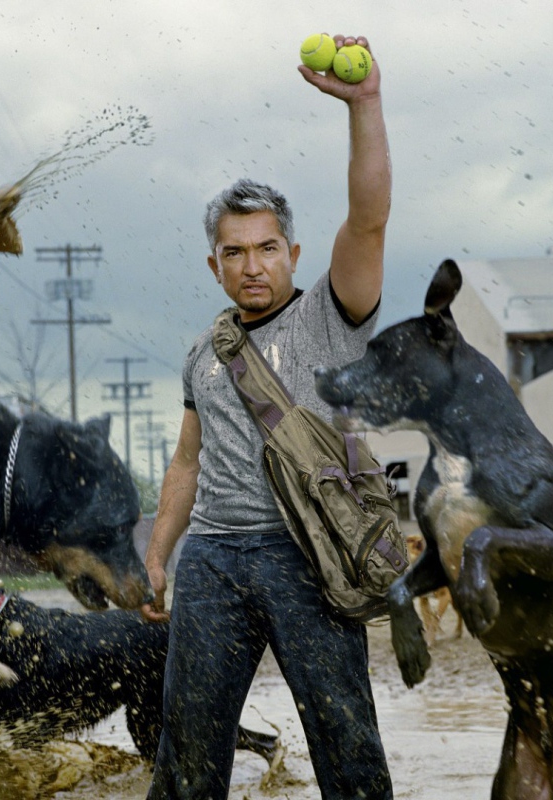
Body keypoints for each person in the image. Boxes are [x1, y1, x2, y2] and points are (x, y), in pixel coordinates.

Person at [140, 34, 392, 800]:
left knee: (345, 745)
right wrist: (159, 556)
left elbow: (370, 216)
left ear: (293, 251)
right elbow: (187, 462)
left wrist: (365, 105)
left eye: (268, 247)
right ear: (214, 264)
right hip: (213, 561)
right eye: (236, 251)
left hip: (306, 557)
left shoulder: (329, 317)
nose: (253, 265)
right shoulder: (202, 352)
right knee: (186, 753)